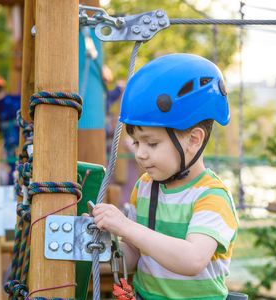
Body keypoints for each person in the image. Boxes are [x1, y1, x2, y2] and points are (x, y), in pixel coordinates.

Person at [89, 54, 239, 300]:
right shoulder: (145, 187)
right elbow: (135, 253)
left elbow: (193, 259)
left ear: (193, 141)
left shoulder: (212, 197)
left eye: (152, 143)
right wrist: (102, 240)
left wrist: (126, 225)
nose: (140, 154)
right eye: (137, 142)